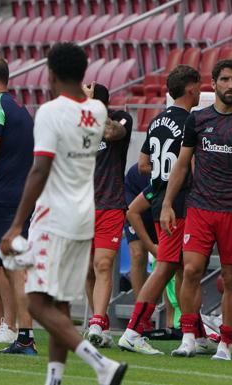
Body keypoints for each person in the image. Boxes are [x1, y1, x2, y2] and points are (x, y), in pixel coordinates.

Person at [0, 42, 127, 385]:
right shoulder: (98, 112)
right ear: (83, 74)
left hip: (53, 215)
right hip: (85, 215)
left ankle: (100, 363)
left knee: (38, 303)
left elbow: (40, 170)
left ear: (50, 74)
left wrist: (14, 226)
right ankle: (54, 378)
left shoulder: (51, 112)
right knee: (61, 304)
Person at [161, 59, 232, 361]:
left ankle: (225, 343)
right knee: (191, 270)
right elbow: (182, 165)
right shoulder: (197, 119)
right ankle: (187, 337)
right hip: (200, 207)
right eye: (225, 80)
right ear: (214, 83)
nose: (231, 86)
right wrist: (168, 204)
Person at [117, 65, 204, 355]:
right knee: (168, 267)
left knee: (182, 268)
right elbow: (189, 166)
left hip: (157, 196)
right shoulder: (191, 122)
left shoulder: (156, 121)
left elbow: (143, 163)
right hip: (177, 201)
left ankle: (196, 333)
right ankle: (134, 330)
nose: (201, 91)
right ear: (191, 89)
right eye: (199, 86)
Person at [0, 55, 36, 352]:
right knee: (11, 267)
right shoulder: (21, 110)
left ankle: (7, 326)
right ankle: (21, 334)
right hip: (19, 197)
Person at [84, 82, 133, 348]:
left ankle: (97, 321)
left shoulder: (120, 117)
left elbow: (113, 132)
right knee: (87, 271)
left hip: (110, 204)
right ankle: (98, 322)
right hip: (81, 207)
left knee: (102, 264)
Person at [123, 163, 158, 298]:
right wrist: (151, 247)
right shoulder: (137, 173)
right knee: (138, 255)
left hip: (161, 204)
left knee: (166, 262)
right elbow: (131, 213)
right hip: (136, 202)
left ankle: (169, 309)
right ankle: (140, 310)